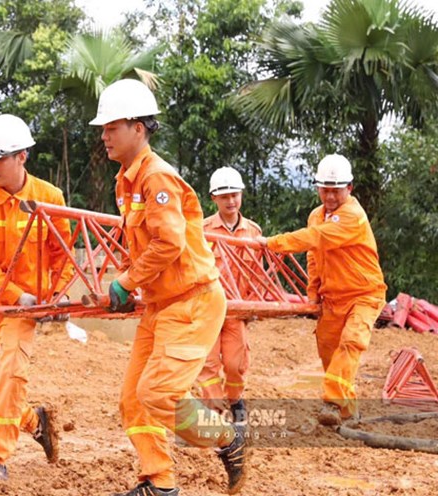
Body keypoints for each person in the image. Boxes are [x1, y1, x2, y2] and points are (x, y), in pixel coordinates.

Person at [89, 79, 248, 496]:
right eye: (103, 128)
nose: (104, 135)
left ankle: (228, 439)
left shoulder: (157, 178)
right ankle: (159, 482)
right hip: (161, 304)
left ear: (138, 128)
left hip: (192, 301)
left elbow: (170, 242)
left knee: (158, 394)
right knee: (133, 399)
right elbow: (138, 244)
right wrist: (130, 287)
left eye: (112, 127)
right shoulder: (126, 180)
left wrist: (125, 282)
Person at [0, 114, 74, 480]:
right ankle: (31, 420)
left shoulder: (49, 199)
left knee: (9, 373)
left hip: (25, 311)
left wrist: (54, 297)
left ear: (22, 156)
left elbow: (63, 256)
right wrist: (19, 295)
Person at [256, 154, 386, 426]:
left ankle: (331, 402)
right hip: (332, 297)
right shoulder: (316, 215)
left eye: (335, 190)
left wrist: (273, 243)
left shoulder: (353, 215)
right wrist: (313, 292)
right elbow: (314, 256)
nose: (329, 196)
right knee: (329, 350)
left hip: (364, 294)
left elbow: (314, 238)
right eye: (324, 189)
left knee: (351, 341)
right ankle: (348, 410)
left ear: (348, 189)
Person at [197, 167, 261, 421]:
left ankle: (235, 400)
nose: (231, 201)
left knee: (236, 363)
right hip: (208, 309)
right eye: (224, 197)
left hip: (237, 310)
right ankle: (213, 410)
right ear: (214, 198)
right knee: (208, 363)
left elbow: (257, 274)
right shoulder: (202, 230)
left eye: (235, 195)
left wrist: (253, 308)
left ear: (241, 194)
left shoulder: (253, 232)